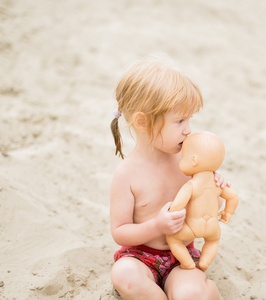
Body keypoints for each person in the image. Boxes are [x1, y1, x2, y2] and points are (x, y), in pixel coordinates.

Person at [109, 58, 230, 300]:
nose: (188, 130)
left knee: (191, 294)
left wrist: (214, 190)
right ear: (143, 122)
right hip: (140, 255)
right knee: (125, 276)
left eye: (189, 120)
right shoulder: (126, 174)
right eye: (179, 121)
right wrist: (157, 226)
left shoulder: (188, 163)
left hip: (181, 256)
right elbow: (120, 232)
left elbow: (207, 209)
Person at [166, 131, 239, 272]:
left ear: (193, 160)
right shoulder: (217, 183)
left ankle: (187, 263)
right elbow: (233, 196)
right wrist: (227, 213)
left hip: (193, 226)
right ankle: (204, 262)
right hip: (212, 226)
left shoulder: (191, 185)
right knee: (213, 241)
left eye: (183, 158)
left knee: (173, 239)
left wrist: (172, 212)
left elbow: (177, 205)